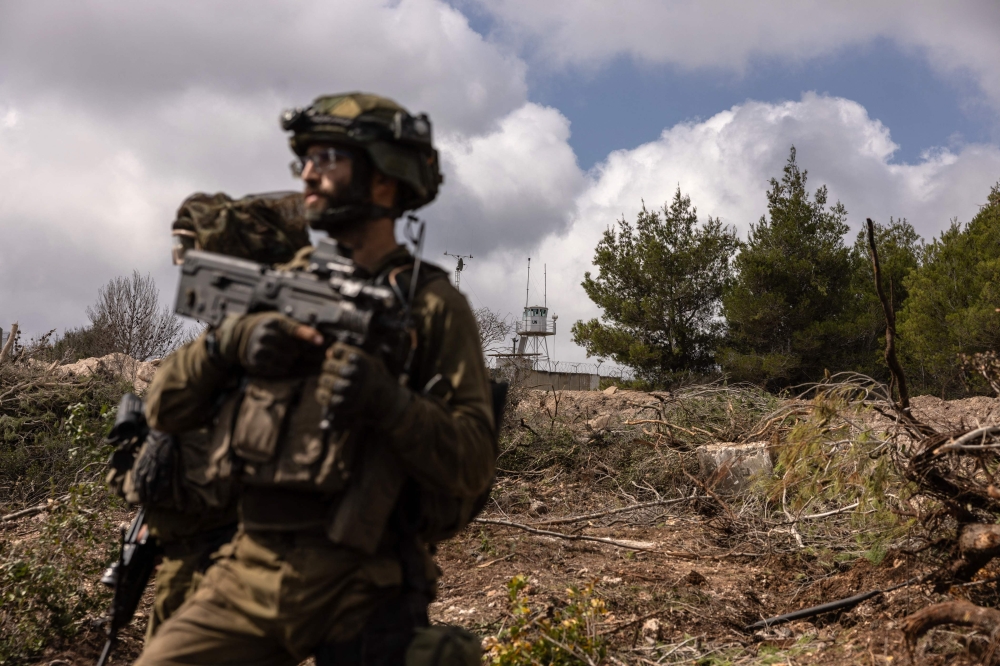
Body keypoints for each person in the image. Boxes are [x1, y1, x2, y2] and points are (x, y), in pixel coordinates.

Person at [135, 93, 495, 666]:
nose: (307, 173)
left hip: (365, 578)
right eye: (305, 158)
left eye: (328, 158)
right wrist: (230, 343)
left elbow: (474, 462)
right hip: (250, 564)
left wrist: (388, 403)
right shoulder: (281, 283)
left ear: (384, 179)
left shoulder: (432, 306)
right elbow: (165, 409)